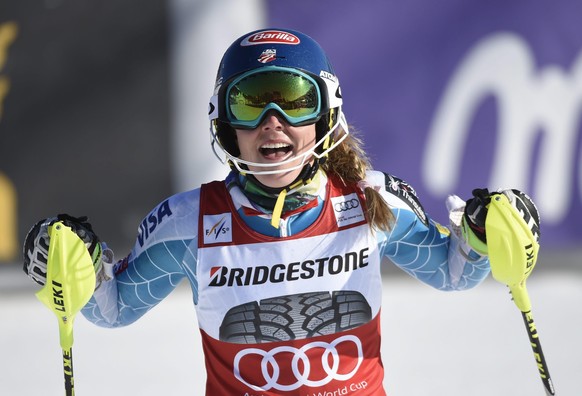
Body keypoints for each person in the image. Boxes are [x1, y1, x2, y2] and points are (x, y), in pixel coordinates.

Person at [23, 28, 539, 395]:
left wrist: (482, 232)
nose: (273, 123)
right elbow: (111, 310)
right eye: (250, 103)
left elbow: (453, 274)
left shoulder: (369, 200)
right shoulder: (189, 222)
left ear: (325, 114)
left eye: (294, 101)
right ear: (225, 124)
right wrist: (73, 264)